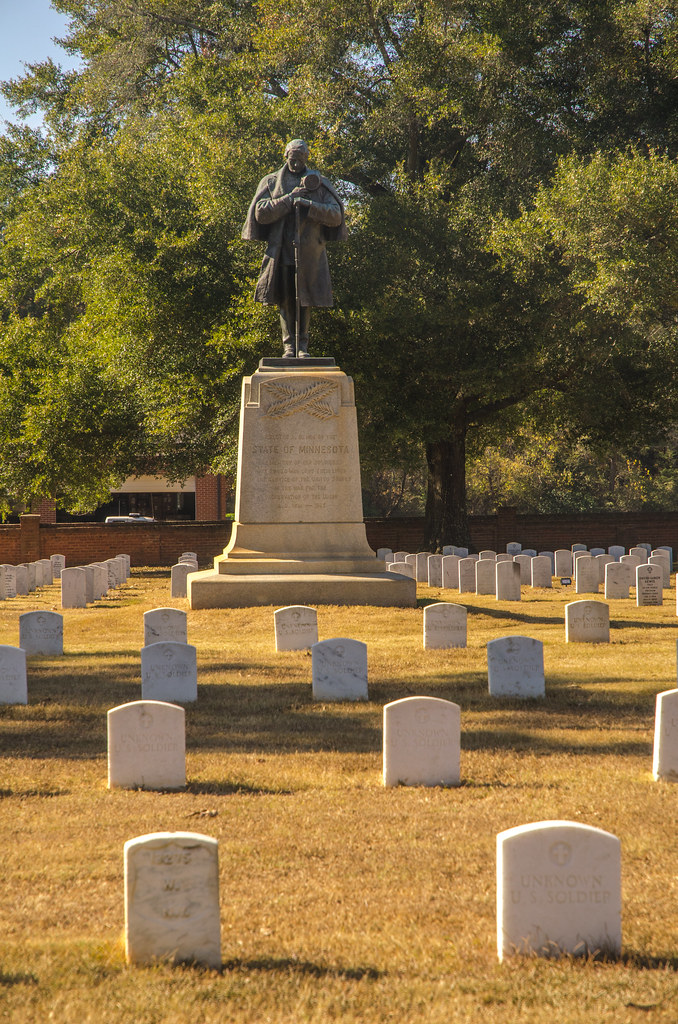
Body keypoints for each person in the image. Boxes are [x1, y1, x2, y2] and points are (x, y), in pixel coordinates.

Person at [242, 139, 347, 358]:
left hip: (309, 253)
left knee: (304, 297)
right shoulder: (271, 182)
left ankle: (303, 347)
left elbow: (336, 215)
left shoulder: (318, 183)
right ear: (286, 156)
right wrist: (290, 199)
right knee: (286, 297)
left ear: (307, 157)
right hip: (282, 250)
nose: (296, 164)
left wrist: (310, 205)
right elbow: (261, 213)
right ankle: (289, 346)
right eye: (292, 159)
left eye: (300, 159)